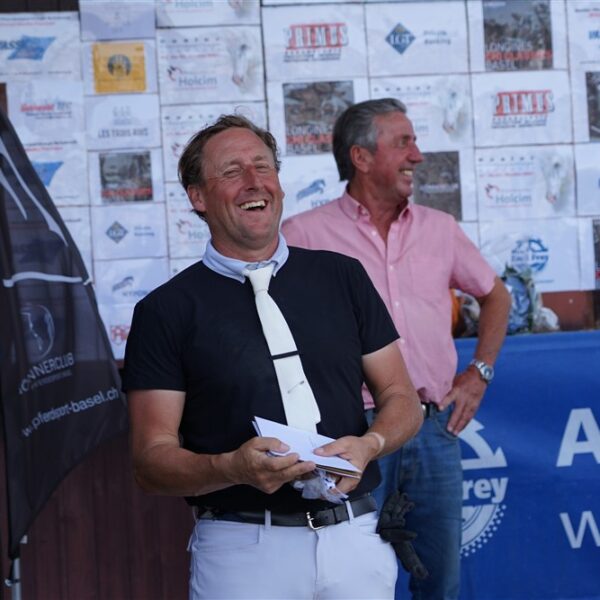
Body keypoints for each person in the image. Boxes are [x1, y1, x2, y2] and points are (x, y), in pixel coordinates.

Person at [122, 114, 424, 600]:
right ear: (198, 197)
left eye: (263, 166)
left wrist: (370, 444)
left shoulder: (343, 277)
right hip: (244, 551)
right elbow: (150, 462)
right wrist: (231, 468)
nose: (253, 181)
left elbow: (402, 398)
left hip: (355, 541)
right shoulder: (165, 311)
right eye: (231, 171)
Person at [281, 98, 512, 600]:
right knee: (350, 584)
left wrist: (480, 372)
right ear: (361, 157)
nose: (418, 156)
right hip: (349, 434)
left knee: (440, 586)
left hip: (432, 428)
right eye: (403, 143)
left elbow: (497, 295)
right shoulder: (303, 235)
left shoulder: (439, 228)